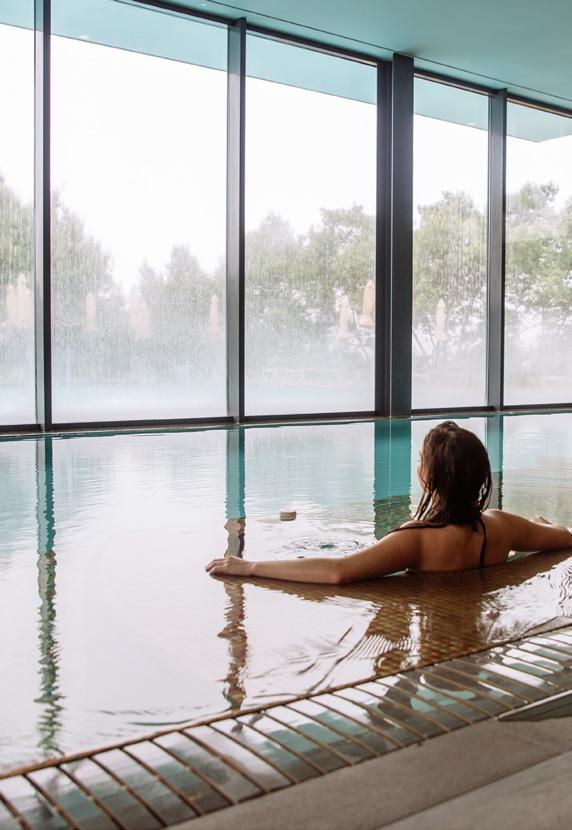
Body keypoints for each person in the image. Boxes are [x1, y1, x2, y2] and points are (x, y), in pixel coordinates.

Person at [206, 421, 572, 584]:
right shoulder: (500, 525)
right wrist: (546, 525)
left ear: (427, 478)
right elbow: (565, 538)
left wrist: (250, 567)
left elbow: (338, 572)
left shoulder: (415, 540)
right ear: (480, 477)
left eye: (420, 461)